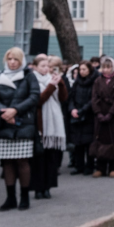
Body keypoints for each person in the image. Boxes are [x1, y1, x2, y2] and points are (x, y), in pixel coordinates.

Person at [0, 47, 40, 211]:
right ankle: (10, 198)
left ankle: (24, 197)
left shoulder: (29, 76)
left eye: (15, 59)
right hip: (4, 124)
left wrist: (15, 110)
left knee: (22, 162)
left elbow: (34, 96)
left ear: (21, 60)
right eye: (9, 59)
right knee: (7, 162)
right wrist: (4, 113)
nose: (12, 62)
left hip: (23, 124)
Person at [31, 54, 67, 197]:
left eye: (48, 66)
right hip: (39, 123)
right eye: (43, 66)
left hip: (53, 124)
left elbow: (63, 98)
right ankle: (38, 188)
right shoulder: (32, 79)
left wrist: (61, 83)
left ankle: (48, 187)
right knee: (38, 158)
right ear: (35, 67)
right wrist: (52, 86)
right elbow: (39, 100)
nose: (46, 69)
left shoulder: (51, 79)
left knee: (51, 158)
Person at [90, 56, 114, 178]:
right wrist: (98, 113)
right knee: (100, 139)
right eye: (104, 67)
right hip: (100, 114)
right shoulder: (97, 81)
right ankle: (100, 167)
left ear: (113, 67)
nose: (105, 70)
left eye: (108, 67)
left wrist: (111, 113)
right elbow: (94, 98)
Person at [68, 61, 96, 175]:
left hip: (88, 115)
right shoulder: (77, 82)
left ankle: (89, 166)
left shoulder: (94, 81)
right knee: (78, 142)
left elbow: (93, 99)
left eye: (84, 69)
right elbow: (71, 98)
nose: (82, 72)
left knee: (88, 142)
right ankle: (79, 166)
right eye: (80, 70)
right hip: (77, 114)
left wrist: (82, 110)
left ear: (89, 70)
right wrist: (72, 109)